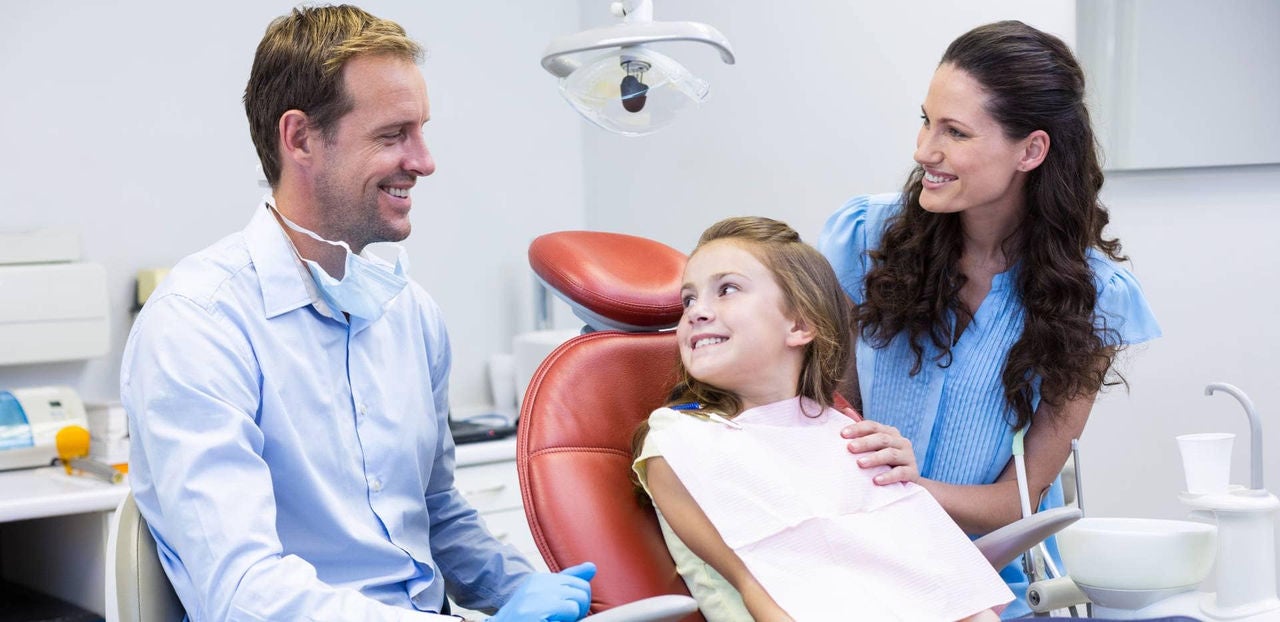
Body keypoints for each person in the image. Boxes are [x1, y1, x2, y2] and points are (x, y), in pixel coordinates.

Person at [120, 6, 593, 621]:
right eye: (393, 135)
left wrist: (522, 591)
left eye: (421, 131)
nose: (424, 162)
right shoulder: (199, 324)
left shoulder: (410, 314)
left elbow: (435, 511)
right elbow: (243, 591)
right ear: (300, 139)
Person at [819, 20, 1161, 618]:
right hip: (856, 567)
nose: (924, 150)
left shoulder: (1093, 297)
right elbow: (826, 412)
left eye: (955, 132)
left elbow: (1019, 500)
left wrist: (909, 488)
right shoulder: (866, 236)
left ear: (1030, 150)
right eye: (926, 120)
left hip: (994, 587)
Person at [632, 217, 1013, 621]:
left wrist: (905, 484)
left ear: (800, 325)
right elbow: (763, 587)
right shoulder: (681, 440)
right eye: (688, 300)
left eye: (727, 289)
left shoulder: (840, 429)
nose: (697, 312)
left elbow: (940, 585)